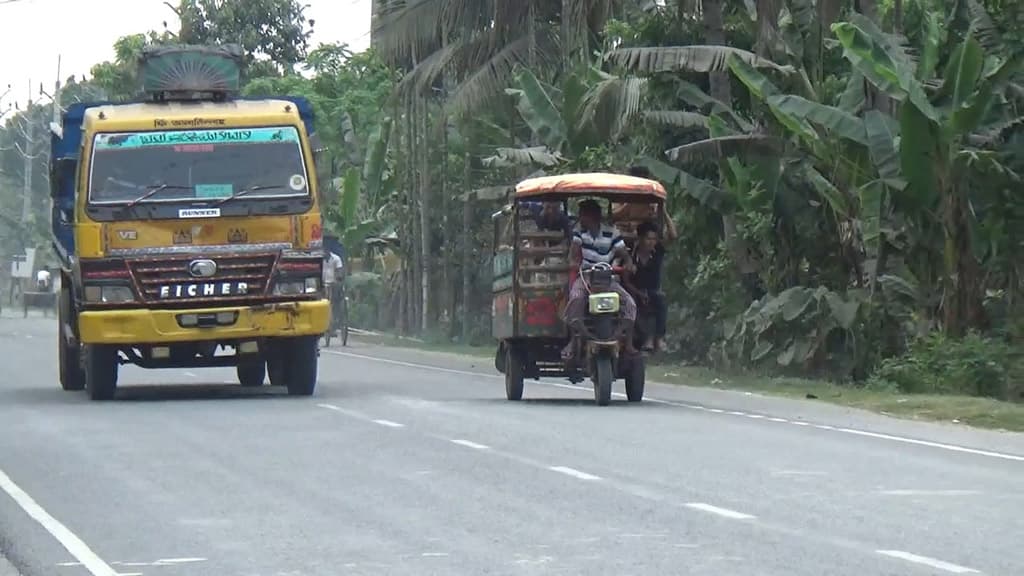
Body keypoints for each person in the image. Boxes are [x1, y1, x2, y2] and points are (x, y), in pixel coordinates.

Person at [563, 199, 638, 359]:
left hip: (608, 279)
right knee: (575, 299)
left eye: (583, 215)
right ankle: (575, 338)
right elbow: (574, 254)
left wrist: (629, 264)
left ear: (593, 216)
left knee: (630, 304)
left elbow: (624, 254)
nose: (580, 218)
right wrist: (574, 263)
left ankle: (621, 338)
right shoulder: (579, 233)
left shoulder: (613, 233)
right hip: (587, 277)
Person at [623, 221, 668, 352]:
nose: (651, 242)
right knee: (631, 303)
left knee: (660, 299)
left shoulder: (657, 252)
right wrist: (639, 293)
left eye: (654, 239)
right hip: (634, 290)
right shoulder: (631, 255)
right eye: (648, 238)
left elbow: (673, 235)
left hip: (653, 291)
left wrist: (664, 212)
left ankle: (659, 338)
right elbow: (626, 281)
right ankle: (645, 339)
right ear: (641, 239)